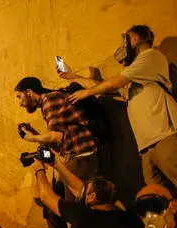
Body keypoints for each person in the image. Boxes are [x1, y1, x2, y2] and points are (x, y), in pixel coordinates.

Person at [68, 25, 177, 193]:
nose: (124, 44)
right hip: (146, 147)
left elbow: (116, 82)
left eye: (128, 37)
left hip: (165, 136)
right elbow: (107, 88)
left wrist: (87, 93)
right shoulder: (138, 74)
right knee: (158, 200)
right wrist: (75, 77)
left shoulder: (151, 56)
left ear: (136, 38)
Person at [15, 76, 100, 183]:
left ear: (28, 92)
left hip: (80, 157)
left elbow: (55, 136)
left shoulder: (50, 100)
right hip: (81, 158)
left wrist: (31, 138)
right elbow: (58, 140)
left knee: (78, 198)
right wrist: (34, 133)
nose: (20, 103)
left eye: (19, 97)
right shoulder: (49, 101)